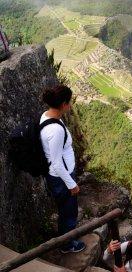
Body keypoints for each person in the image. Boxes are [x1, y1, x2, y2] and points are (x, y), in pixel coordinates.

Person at [40, 84, 85, 253]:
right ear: (64, 104)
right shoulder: (55, 129)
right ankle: (67, 245)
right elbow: (57, 163)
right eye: (69, 102)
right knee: (69, 212)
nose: (71, 105)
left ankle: (64, 239)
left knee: (65, 210)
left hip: (60, 175)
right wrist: (72, 184)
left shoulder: (47, 116)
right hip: (62, 177)